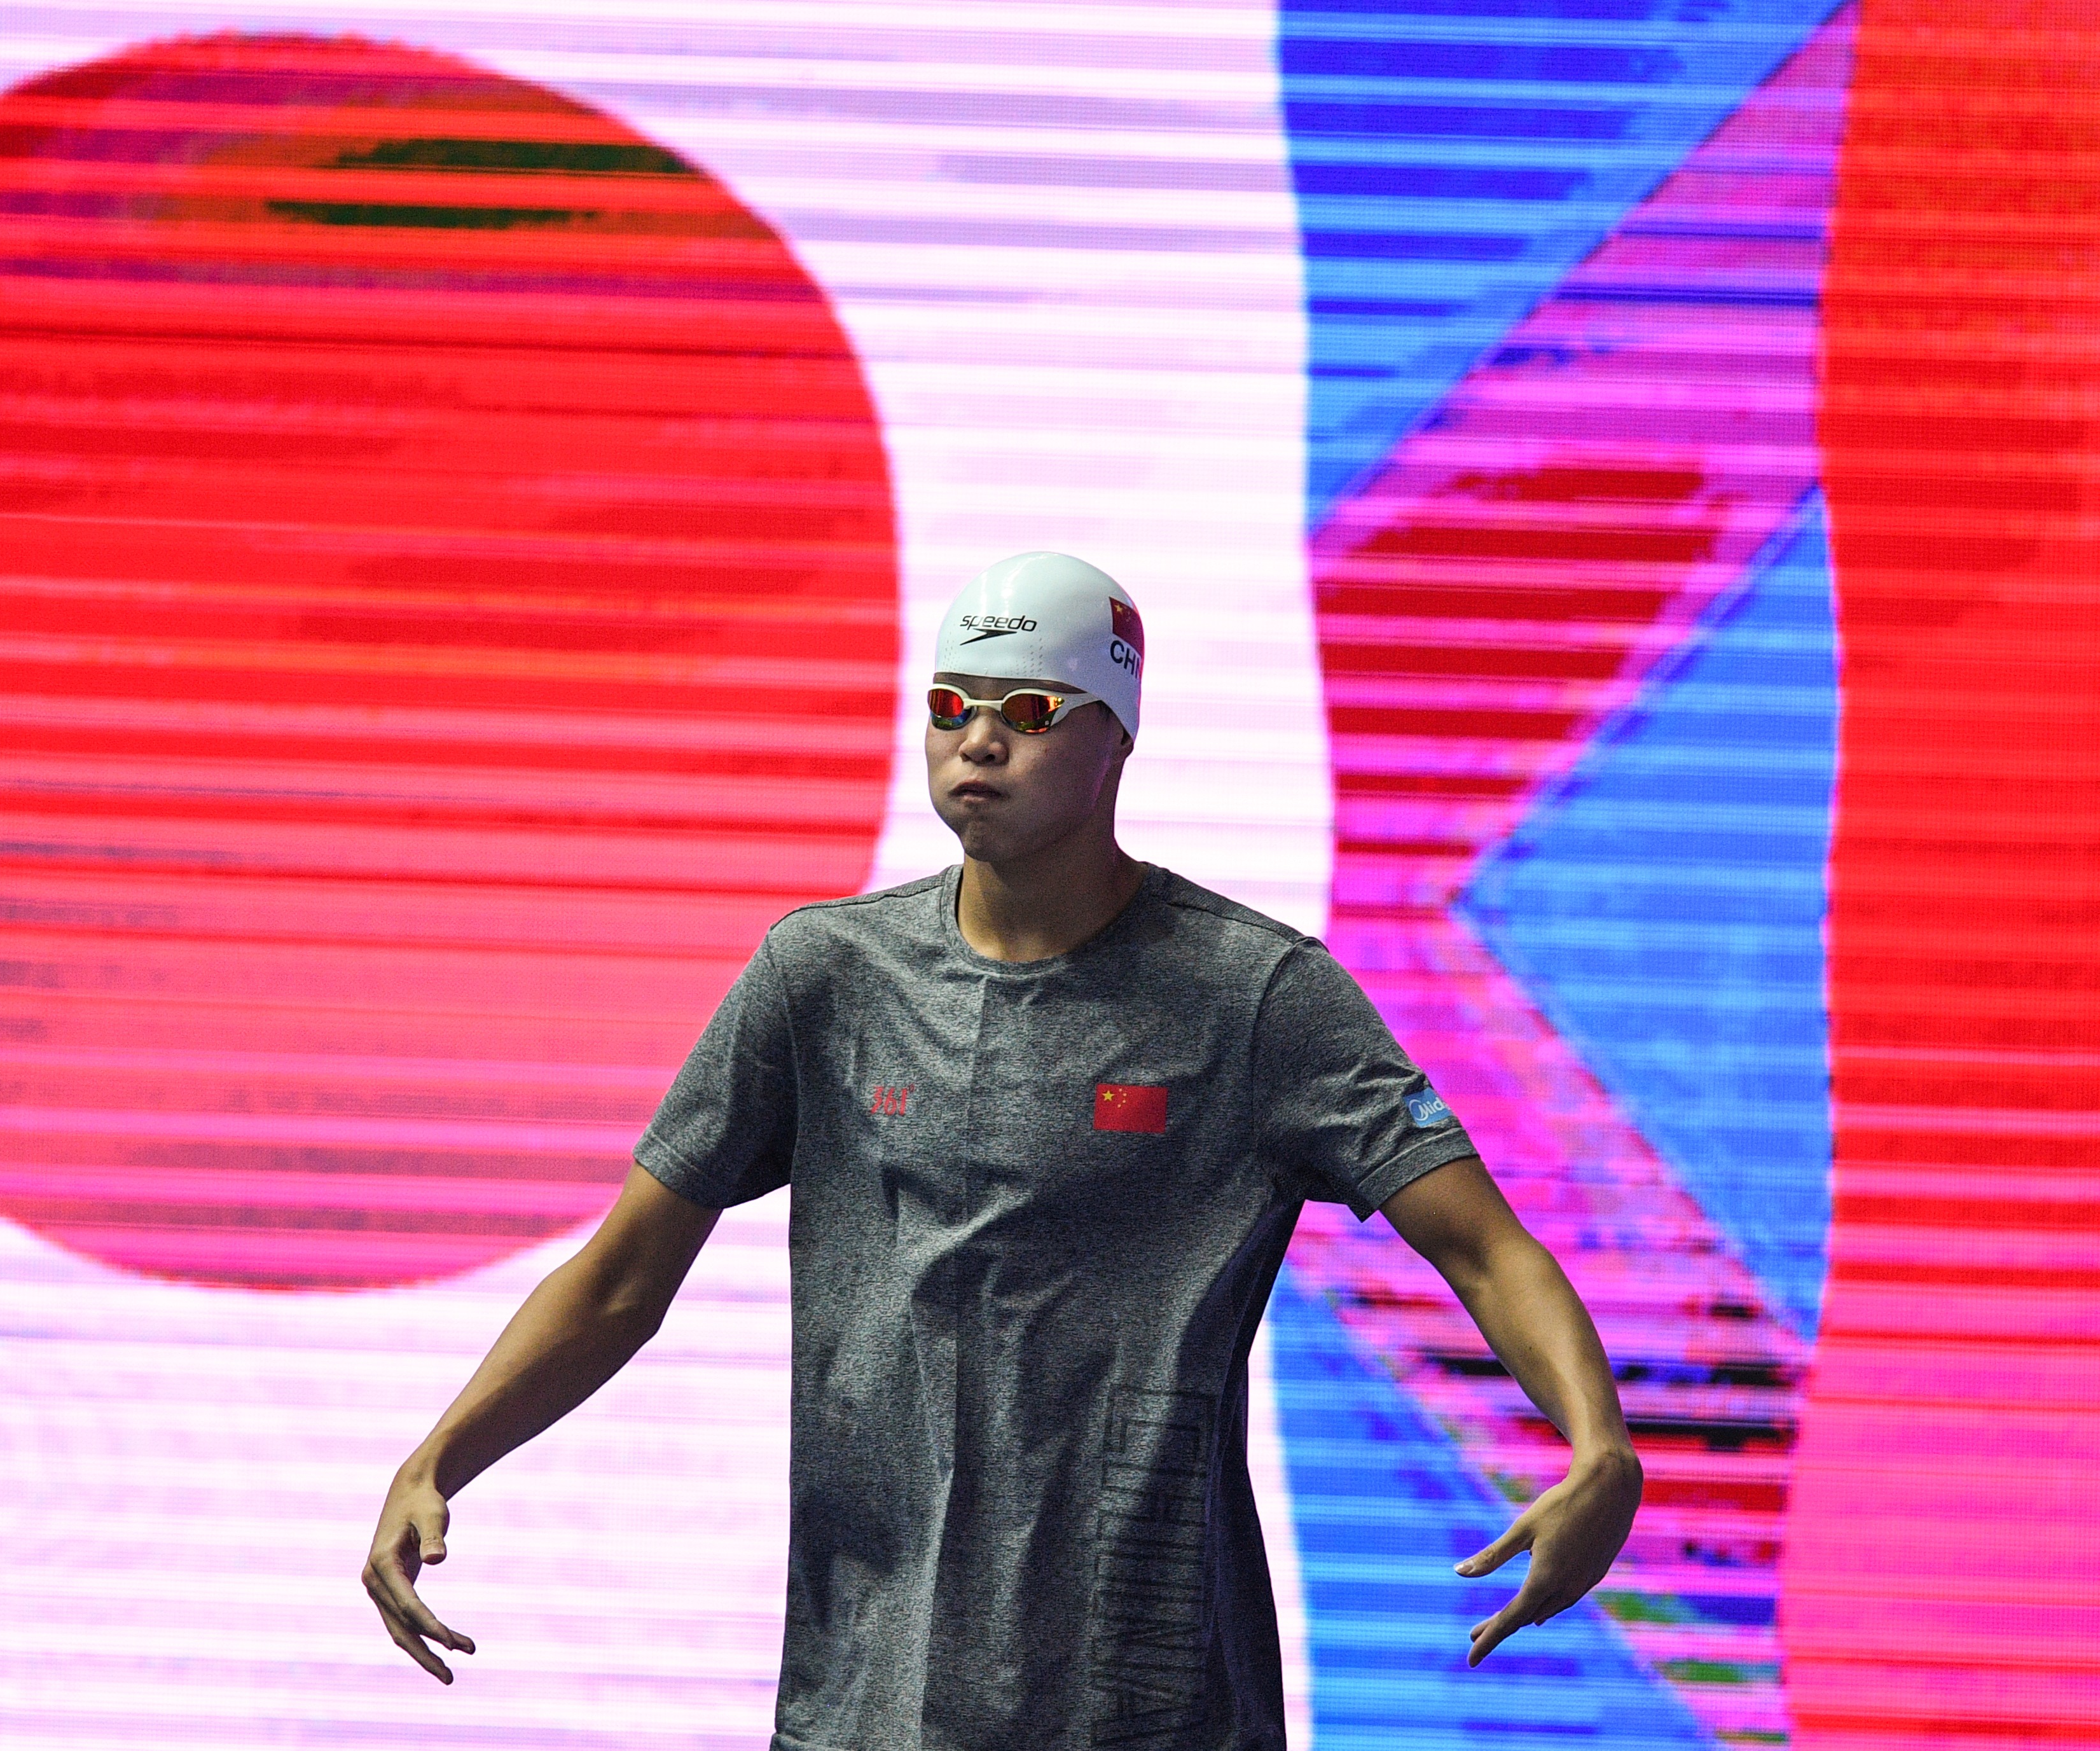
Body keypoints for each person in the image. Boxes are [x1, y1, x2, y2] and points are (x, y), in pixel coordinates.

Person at [366, 551, 1643, 1750]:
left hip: (1150, 1697)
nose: (977, 739)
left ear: (1116, 739)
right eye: (949, 704)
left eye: (1030, 706)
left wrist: (1599, 1447)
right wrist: (439, 1457)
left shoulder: (1255, 995)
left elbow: (1482, 1248)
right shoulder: (821, 977)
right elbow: (617, 1281)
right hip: (864, 1692)